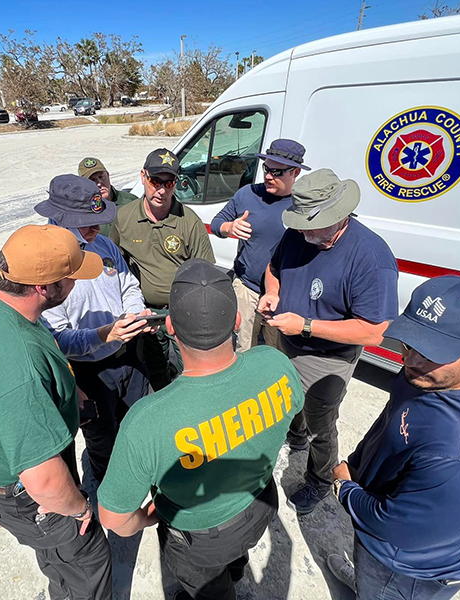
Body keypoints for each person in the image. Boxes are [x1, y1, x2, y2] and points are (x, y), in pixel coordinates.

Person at [97, 259, 303, 600]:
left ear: (172, 329)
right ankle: (236, 570)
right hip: (261, 505)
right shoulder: (274, 363)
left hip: (200, 538)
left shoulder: (147, 421)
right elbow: (293, 413)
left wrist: (150, 517)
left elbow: (114, 518)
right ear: (237, 320)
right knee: (236, 557)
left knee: (209, 590)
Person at [327, 276, 460, 600]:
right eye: (410, 342)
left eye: (434, 352)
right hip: (405, 515)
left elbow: (392, 526)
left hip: (405, 568)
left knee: (378, 589)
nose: (411, 360)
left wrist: (344, 488)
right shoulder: (435, 376)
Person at [0, 225, 112, 600]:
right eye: (70, 277)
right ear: (43, 288)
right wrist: (78, 508)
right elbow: (44, 482)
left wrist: (66, 386)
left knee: (58, 559)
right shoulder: (17, 369)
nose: (76, 284)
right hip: (26, 494)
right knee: (88, 559)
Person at [260, 168, 399, 514]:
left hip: (327, 357)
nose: (303, 231)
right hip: (287, 336)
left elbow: (373, 331)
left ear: (338, 217)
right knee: (287, 400)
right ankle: (295, 436)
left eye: (312, 224)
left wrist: (305, 325)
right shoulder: (299, 235)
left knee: (321, 424)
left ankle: (320, 481)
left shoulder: (370, 257)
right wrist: (273, 293)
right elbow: (273, 268)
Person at [36, 174, 153, 482]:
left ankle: (141, 473)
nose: (97, 228)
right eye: (88, 221)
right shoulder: (45, 266)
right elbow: (57, 339)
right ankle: (109, 486)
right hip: (88, 374)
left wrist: (135, 314)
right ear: (62, 219)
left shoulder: (102, 245)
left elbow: (128, 283)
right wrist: (103, 335)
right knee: (103, 441)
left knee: (142, 421)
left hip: (128, 358)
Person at [110, 148, 215, 390]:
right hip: (146, 315)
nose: (161, 190)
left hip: (182, 313)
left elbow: (205, 274)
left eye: (169, 183)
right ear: (143, 176)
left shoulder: (189, 221)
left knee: (188, 373)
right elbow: (114, 265)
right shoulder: (123, 219)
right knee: (153, 371)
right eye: (155, 181)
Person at [210, 139, 308, 352]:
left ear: (296, 173)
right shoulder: (248, 194)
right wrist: (230, 227)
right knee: (242, 350)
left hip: (284, 297)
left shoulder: (303, 204)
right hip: (247, 289)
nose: (269, 176)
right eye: (266, 168)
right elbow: (217, 223)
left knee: (275, 352)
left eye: (278, 172)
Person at [78, 156, 138, 239]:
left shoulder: (131, 201)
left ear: (108, 175)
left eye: (101, 177)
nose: (99, 183)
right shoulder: (80, 211)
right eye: (92, 180)